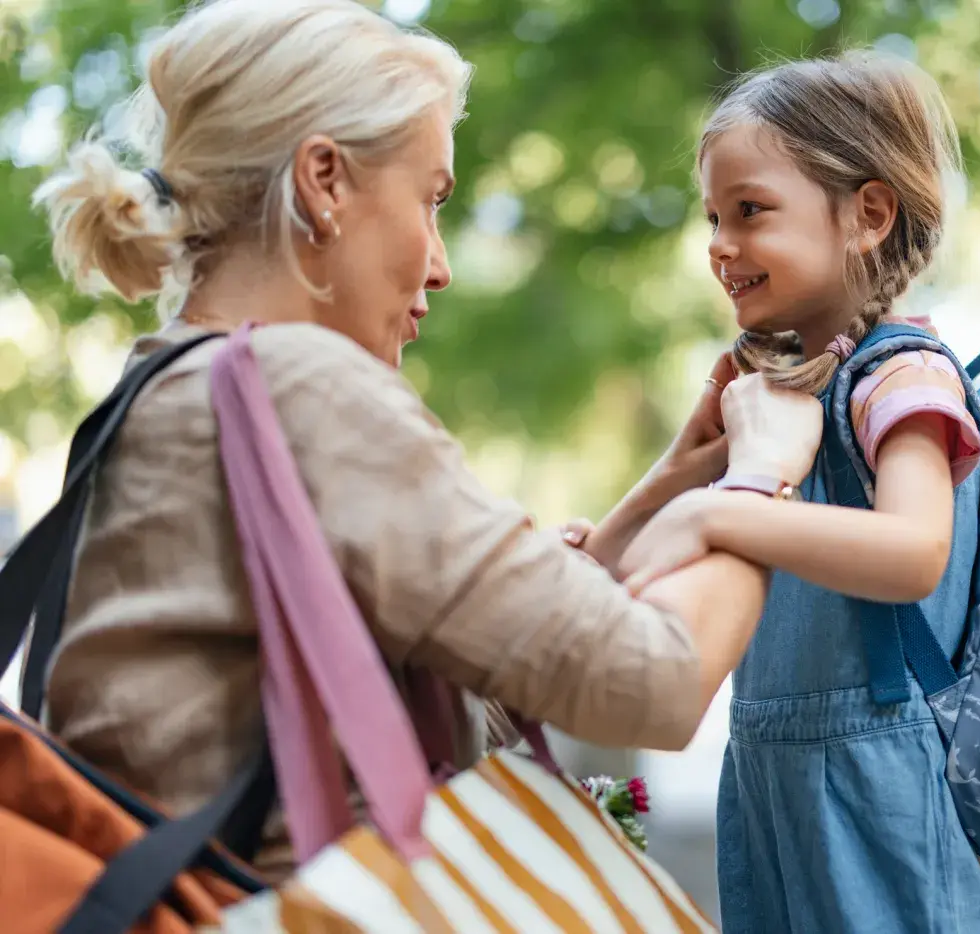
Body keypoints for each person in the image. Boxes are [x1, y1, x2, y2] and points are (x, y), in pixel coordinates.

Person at [28, 0, 822, 881]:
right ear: (323, 181)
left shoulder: (163, 389)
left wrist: (669, 486)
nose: (440, 262)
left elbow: (460, 651)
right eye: (431, 200)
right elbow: (652, 683)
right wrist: (761, 478)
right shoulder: (301, 386)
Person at [618, 53, 980, 932]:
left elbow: (916, 553)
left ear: (867, 215)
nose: (718, 243)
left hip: (872, 779)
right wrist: (685, 478)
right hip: (767, 770)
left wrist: (722, 508)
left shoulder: (900, 378)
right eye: (713, 216)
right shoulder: (782, 400)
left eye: (750, 211)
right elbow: (632, 576)